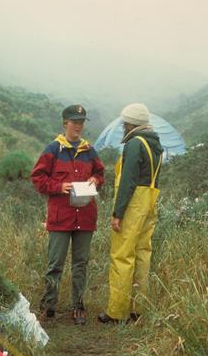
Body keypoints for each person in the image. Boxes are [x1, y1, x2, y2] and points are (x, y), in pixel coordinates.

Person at [31, 105, 105, 325]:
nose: (78, 126)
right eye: (74, 122)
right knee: (55, 264)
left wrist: (96, 180)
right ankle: (49, 306)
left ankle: (78, 307)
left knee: (80, 264)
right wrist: (58, 186)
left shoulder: (89, 150)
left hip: (85, 216)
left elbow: (100, 173)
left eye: (81, 122)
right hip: (60, 217)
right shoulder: (53, 149)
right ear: (65, 123)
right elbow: (37, 178)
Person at [98, 103, 163, 324]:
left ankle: (116, 312)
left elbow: (128, 181)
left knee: (122, 256)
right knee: (143, 254)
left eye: (125, 124)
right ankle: (138, 309)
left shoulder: (135, 144)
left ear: (131, 124)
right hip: (149, 204)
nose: (124, 127)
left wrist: (118, 213)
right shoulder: (155, 144)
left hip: (133, 206)